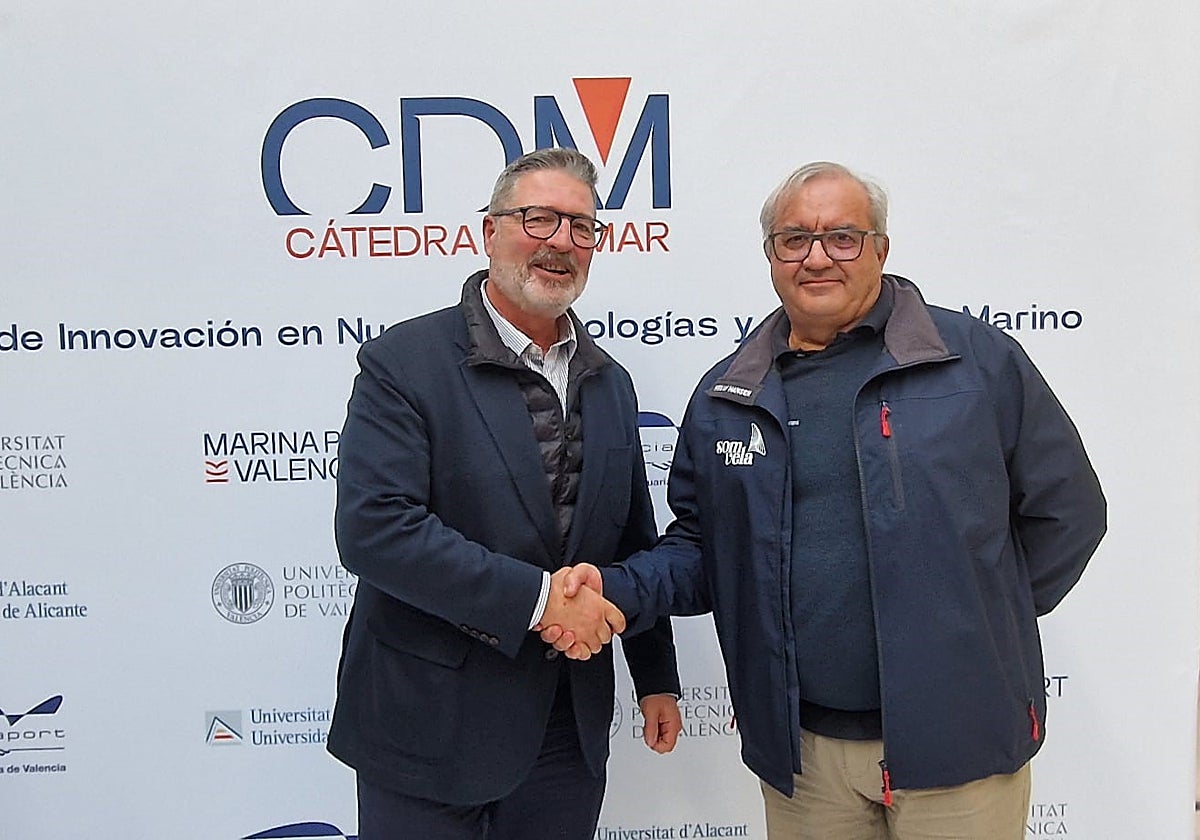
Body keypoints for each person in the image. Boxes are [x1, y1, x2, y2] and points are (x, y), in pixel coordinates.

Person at [547, 162, 1106, 839]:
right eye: (794, 239)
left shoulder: (975, 363)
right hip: (806, 762)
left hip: (961, 746)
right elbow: (702, 549)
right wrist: (613, 590)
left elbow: (1069, 512)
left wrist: (984, 616)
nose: (817, 257)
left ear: (880, 249)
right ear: (771, 254)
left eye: (842, 237)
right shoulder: (729, 394)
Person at [327, 147, 682, 840]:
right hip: (427, 725)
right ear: (489, 232)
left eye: (581, 227)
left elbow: (631, 540)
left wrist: (655, 676)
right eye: (539, 219)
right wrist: (543, 601)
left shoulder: (610, 382)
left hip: (566, 728)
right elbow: (377, 530)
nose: (561, 242)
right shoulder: (405, 362)